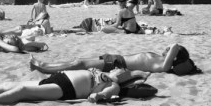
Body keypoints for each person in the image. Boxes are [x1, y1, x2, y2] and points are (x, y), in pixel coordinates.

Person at [0, 68, 124, 105]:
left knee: (22, 91)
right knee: (8, 84)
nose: (117, 69)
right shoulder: (100, 72)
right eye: (117, 68)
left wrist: (98, 96)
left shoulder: (114, 84)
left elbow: (104, 94)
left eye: (121, 71)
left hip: (65, 90)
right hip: (57, 78)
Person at [29, 43, 200, 75]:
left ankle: (42, 67)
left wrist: (176, 50)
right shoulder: (160, 60)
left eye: (168, 50)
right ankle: (45, 65)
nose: (166, 48)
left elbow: (175, 45)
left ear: (173, 57)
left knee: (78, 64)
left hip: (116, 64)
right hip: (115, 59)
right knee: (78, 61)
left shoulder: (162, 65)